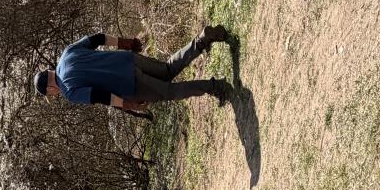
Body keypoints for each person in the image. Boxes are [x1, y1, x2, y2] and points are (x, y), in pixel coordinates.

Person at [32, 27, 232, 116]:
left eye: (51, 94)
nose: (54, 95)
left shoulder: (69, 91)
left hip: (130, 84)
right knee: (167, 70)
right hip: (127, 59)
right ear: (49, 71)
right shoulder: (67, 53)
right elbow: (98, 38)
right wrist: (125, 43)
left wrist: (128, 104)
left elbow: (100, 96)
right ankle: (202, 39)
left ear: (50, 89)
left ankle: (216, 87)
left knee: (169, 91)